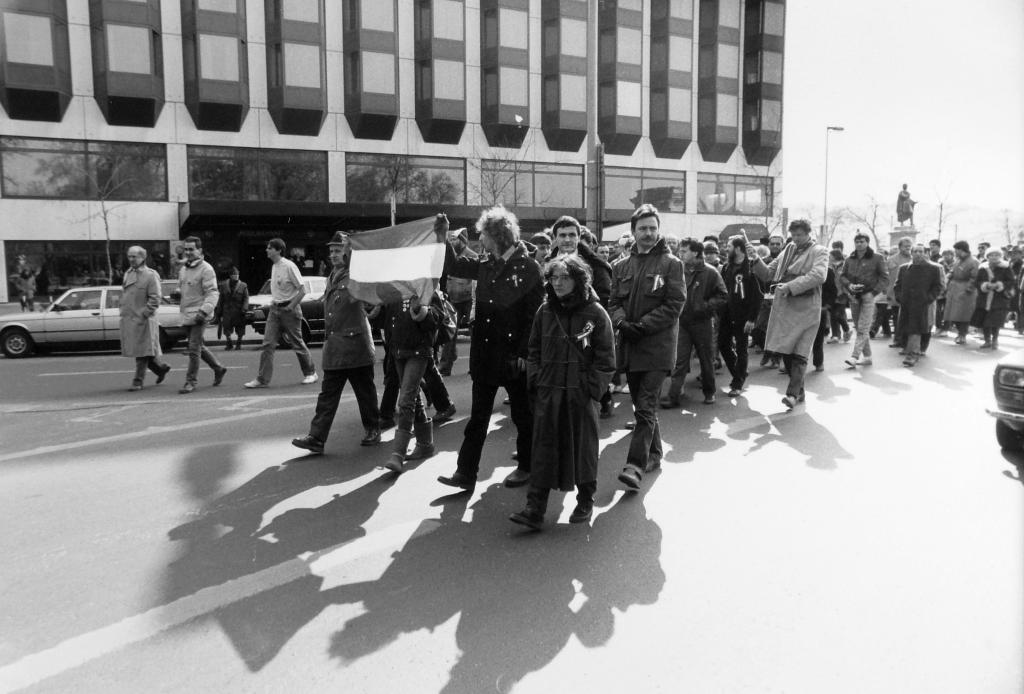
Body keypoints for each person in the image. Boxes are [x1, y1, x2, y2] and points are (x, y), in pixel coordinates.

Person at [437, 207, 544, 490]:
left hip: (513, 358)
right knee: (478, 419)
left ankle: (528, 466)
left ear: (496, 236)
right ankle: (465, 473)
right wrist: (442, 237)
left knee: (523, 416)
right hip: (486, 356)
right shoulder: (487, 263)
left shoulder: (529, 268)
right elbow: (454, 266)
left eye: (482, 235)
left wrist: (524, 354)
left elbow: (534, 317)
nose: (479, 240)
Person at [508, 255, 615, 530]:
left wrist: (592, 389)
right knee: (543, 448)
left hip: (580, 395)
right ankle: (535, 508)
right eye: (554, 278)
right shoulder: (544, 312)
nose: (558, 283)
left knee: (584, 449)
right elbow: (534, 351)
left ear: (578, 280)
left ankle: (585, 500)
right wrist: (537, 381)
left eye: (564, 277)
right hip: (549, 392)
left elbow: (606, 359)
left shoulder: (596, 313)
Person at [609, 204, 685, 490]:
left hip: (658, 347)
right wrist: (621, 323)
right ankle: (655, 453)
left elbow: (675, 304)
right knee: (642, 406)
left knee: (645, 406)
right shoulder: (620, 266)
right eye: (643, 228)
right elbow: (613, 302)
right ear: (633, 232)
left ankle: (635, 465)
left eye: (653, 228)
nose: (648, 233)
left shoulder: (671, 264)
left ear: (658, 230)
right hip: (630, 345)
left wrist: (643, 325)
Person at [292, 232, 381, 454]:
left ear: (348, 252)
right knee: (327, 395)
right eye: (331, 251)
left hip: (355, 344)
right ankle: (317, 437)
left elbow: (372, 300)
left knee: (365, 392)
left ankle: (373, 429)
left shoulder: (356, 275)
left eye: (337, 250)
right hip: (335, 346)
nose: (333, 255)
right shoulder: (333, 275)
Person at [746, 219, 828, 409]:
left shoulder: (819, 251)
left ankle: (791, 395)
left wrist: (790, 286)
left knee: (800, 352)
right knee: (787, 351)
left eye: (801, 235)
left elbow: (818, 276)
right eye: (794, 235)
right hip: (786, 308)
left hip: (807, 309)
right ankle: (799, 391)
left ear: (809, 233)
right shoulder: (788, 250)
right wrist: (755, 259)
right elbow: (767, 274)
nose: (797, 239)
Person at [382, 292, 444, 473]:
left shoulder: (427, 289)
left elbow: (436, 320)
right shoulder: (395, 289)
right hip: (398, 352)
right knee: (413, 397)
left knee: (406, 399)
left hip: (419, 352)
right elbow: (389, 321)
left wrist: (420, 309)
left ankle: (398, 454)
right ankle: (425, 444)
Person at [244, 238, 318, 388]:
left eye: (270, 248)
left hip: (289, 310)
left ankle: (311, 373)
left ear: (278, 250)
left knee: (297, 342)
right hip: (275, 310)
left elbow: (302, 290)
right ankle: (262, 379)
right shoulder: (274, 266)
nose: (267, 250)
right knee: (267, 344)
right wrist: (274, 301)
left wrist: (290, 306)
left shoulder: (289, 266)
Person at [661, 238, 726, 407]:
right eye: (680, 251)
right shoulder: (678, 269)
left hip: (702, 322)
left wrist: (704, 307)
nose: (680, 254)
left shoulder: (710, 272)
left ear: (695, 252)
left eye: (684, 251)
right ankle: (673, 396)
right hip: (682, 321)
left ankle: (709, 392)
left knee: (706, 359)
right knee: (679, 360)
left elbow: (723, 295)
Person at [177, 236, 227, 394]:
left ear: (200, 250)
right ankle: (218, 368)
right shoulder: (184, 269)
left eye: (191, 249)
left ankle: (190, 381)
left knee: (193, 348)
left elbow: (212, 293)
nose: (188, 252)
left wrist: (203, 311)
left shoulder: (206, 268)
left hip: (199, 315)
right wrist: (177, 293)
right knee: (197, 346)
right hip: (186, 314)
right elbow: (185, 290)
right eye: (186, 249)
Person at [120, 246, 171, 391]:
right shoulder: (128, 273)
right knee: (141, 350)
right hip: (131, 318)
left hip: (144, 320)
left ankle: (138, 381)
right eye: (129, 256)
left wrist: (144, 313)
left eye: (134, 256)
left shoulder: (150, 275)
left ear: (143, 258)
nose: (131, 259)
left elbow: (155, 298)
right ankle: (160, 368)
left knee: (142, 352)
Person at [717, 237, 763, 397]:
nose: (726, 249)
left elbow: (757, 297)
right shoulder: (726, 268)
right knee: (722, 344)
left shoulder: (751, 268)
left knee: (742, 348)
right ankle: (740, 371)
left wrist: (752, 319)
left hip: (743, 316)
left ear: (737, 249)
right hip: (726, 314)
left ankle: (737, 383)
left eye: (728, 246)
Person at [841, 232, 888, 368]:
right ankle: (867, 357)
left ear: (867, 242)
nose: (859, 244)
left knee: (863, 327)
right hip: (854, 296)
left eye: (862, 241)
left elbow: (885, 278)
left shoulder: (877, 258)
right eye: (857, 241)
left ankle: (854, 357)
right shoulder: (849, 259)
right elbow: (842, 276)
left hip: (868, 296)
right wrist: (849, 285)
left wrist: (873, 292)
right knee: (859, 326)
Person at [893, 244, 944, 366]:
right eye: (915, 251)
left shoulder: (933, 269)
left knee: (916, 329)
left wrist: (928, 298)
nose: (918, 253)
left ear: (926, 253)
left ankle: (913, 354)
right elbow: (897, 285)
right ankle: (907, 348)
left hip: (922, 304)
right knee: (906, 327)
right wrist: (900, 298)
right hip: (906, 304)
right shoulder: (904, 268)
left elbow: (938, 286)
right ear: (911, 253)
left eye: (921, 251)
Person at [437, 227, 477, 376]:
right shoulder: (450, 257)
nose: (453, 242)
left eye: (455, 239)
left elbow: (474, 283)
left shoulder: (472, 257)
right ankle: (445, 365)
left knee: (475, 335)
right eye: (451, 239)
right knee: (449, 333)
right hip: (453, 299)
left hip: (468, 301)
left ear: (463, 241)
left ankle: (475, 366)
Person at [972, 248, 1015, 350]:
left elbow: (1011, 281)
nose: (994, 257)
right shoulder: (982, 267)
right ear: (988, 257)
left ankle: (995, 340)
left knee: (995, 321)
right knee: (985, 320)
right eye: (992, 255)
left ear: (1000, 256)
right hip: (984, 298)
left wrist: (1000, 285)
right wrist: (985, 285)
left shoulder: (1006, 267)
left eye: (997, 255)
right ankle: (987, 340)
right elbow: (977, 282)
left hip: (999, 299)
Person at [942, 241, 979, 345]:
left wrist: (968, 290)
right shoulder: (958, 260)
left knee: (964, 314)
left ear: (962, 250)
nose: (955, 252)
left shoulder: (973, 261)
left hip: (965, 290)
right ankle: (960, 332)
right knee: (953, 313)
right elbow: (952, 270)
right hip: (954, 289)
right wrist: (948, 276)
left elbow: (975, 277)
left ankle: (962, 334)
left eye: (956, 250)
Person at [885, 237, 913, 348]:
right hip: (894, 293)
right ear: (900, 247)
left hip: (910, 294)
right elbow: (886, 276)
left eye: (909, 246)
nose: (908, 248)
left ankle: (907, 340)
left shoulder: (914, 259)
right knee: (897, 317)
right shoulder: (891, 259)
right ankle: (898, 339)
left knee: (908, 318)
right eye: (905, 246)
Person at [214, 267, 249, 351]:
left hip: (239, 311)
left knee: (240, 329)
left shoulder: (243, 286)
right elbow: (221, 299)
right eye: (234, 275)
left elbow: (246, 298)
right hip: (227, 311)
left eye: (237, 275)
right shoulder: (224, 285)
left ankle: (238, 343)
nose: (236, 276)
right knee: (227, 328)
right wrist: (218, 311)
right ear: (230, 276)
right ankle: (229, 343)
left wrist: (244, 308)